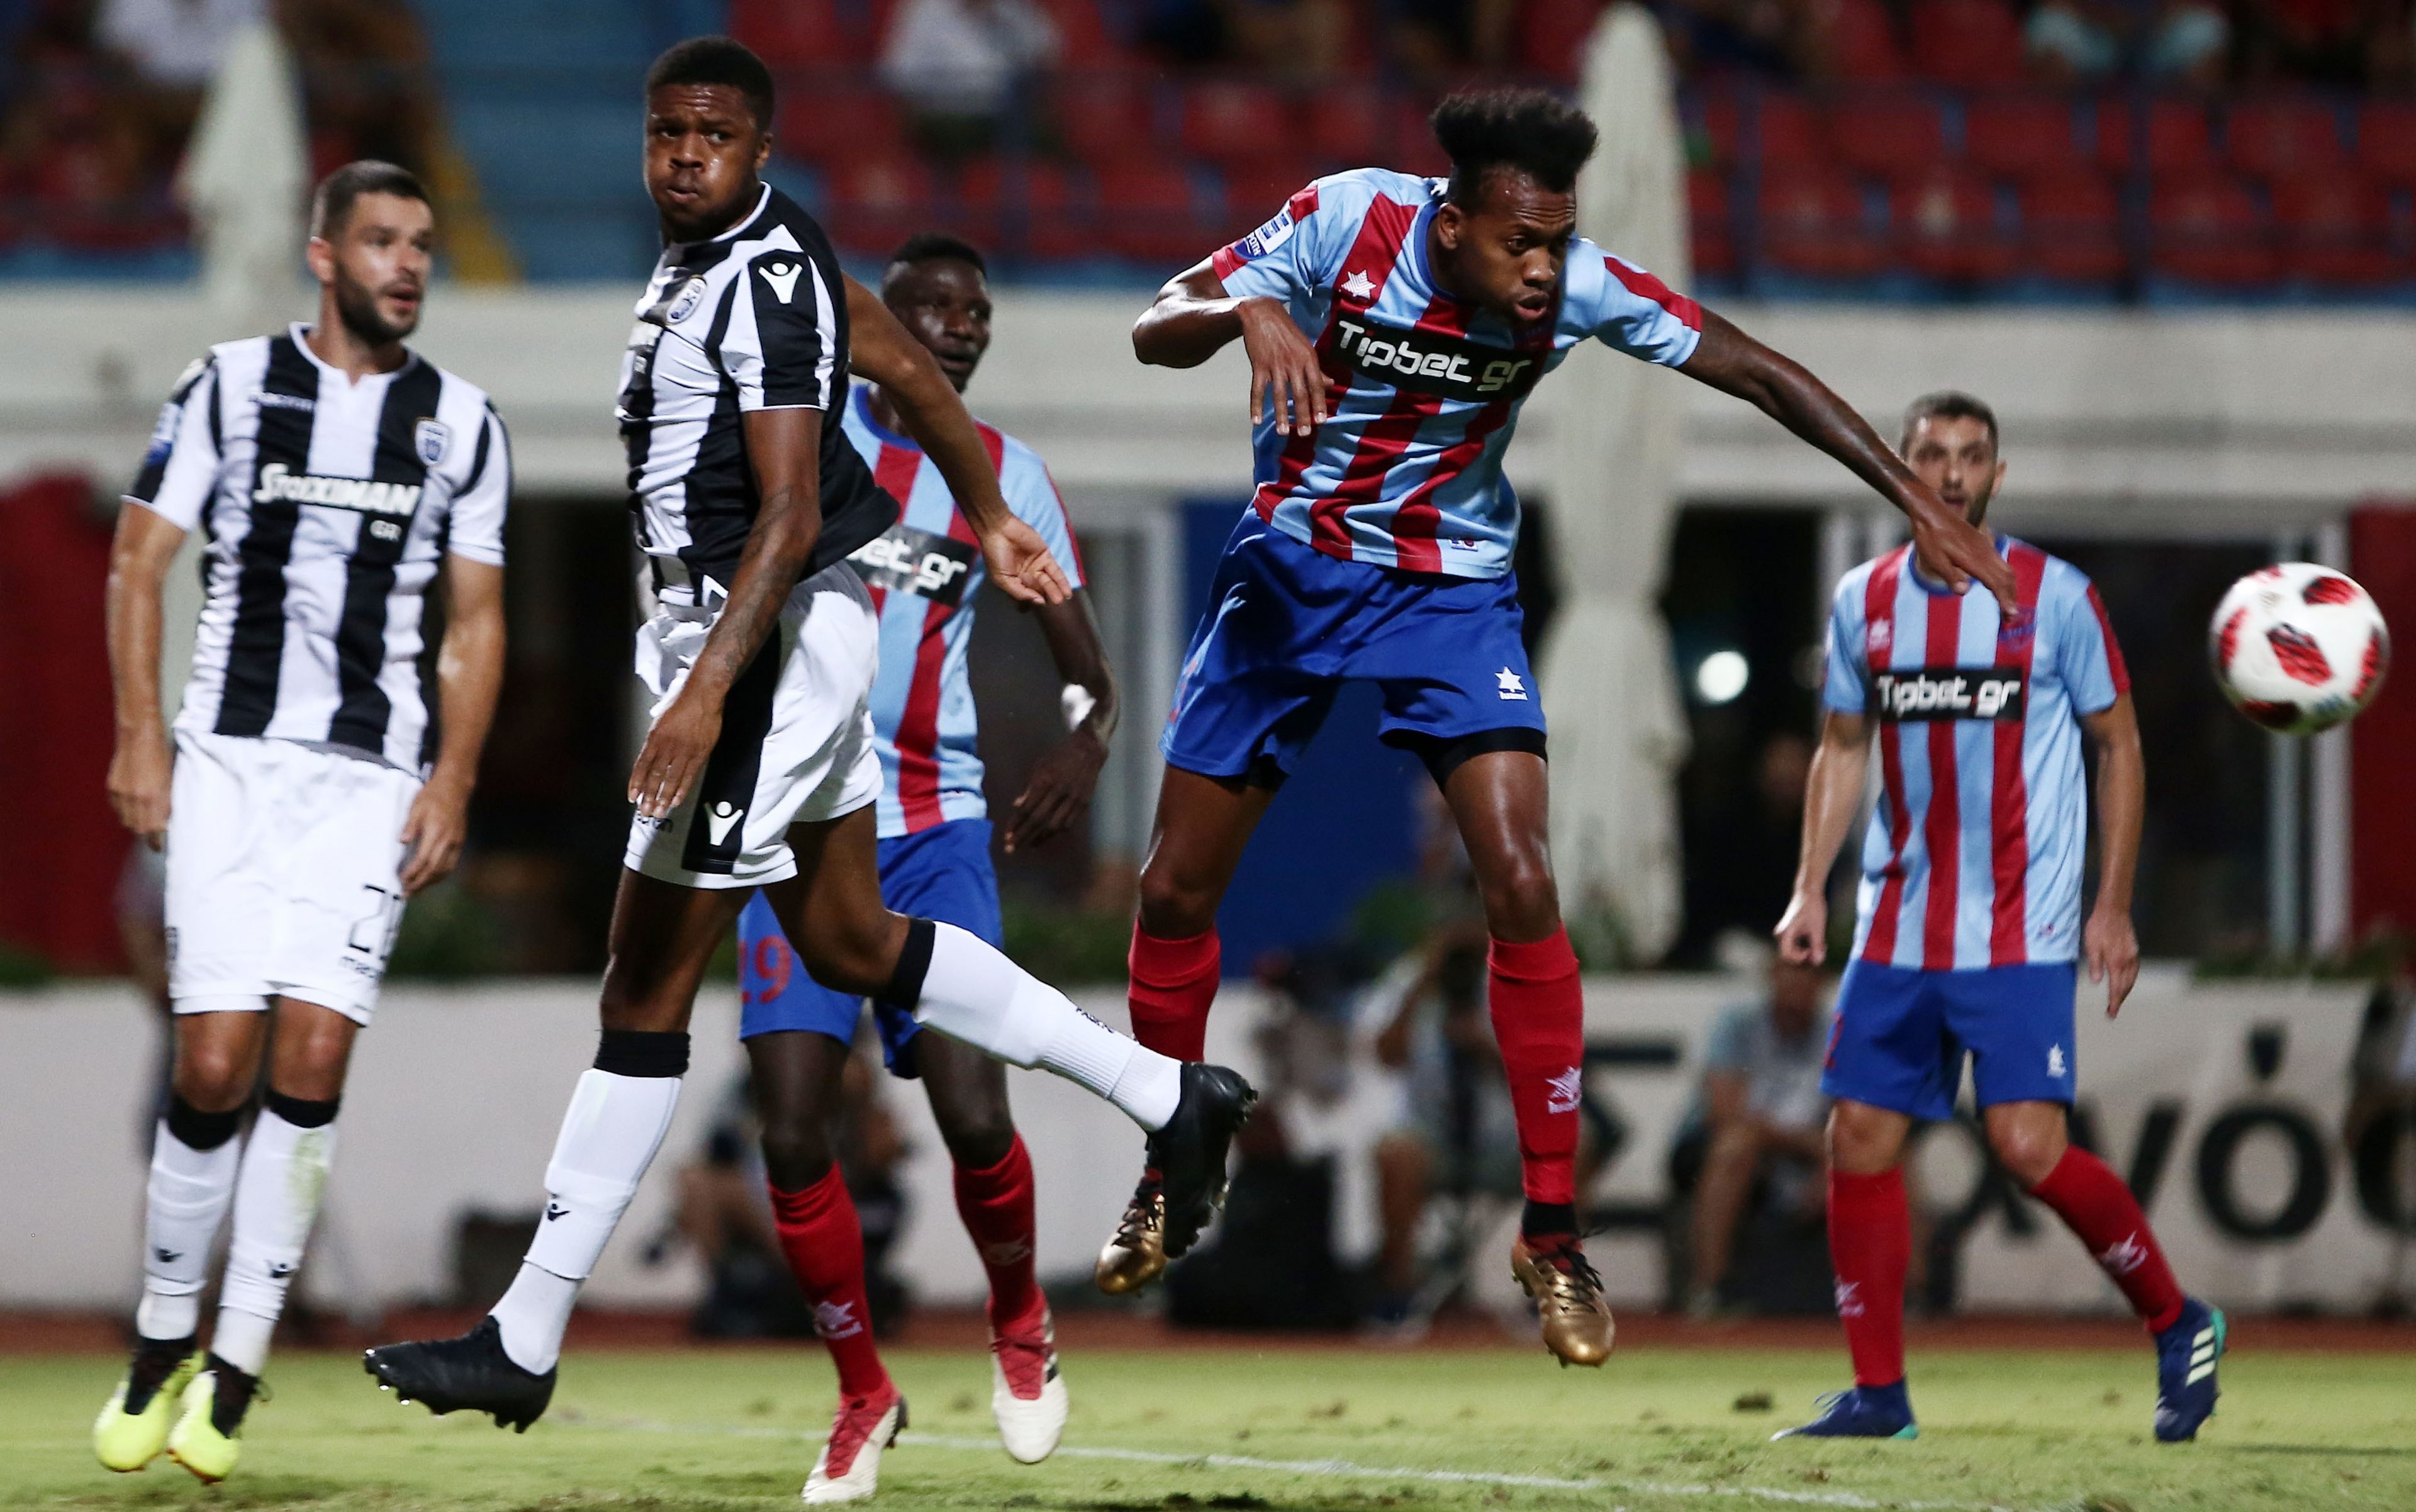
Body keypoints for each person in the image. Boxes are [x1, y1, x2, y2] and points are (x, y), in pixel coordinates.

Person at [363, 39, 1253, 1506]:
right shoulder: (762, 259)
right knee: (850, 940)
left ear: (761, 149)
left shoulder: (762, 279)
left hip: (762, 654)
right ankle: (1167, 1093)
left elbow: (784, 512)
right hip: (779, 645)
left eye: (713, 133)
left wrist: (703, 696)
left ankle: (524, 1334)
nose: (683, 154)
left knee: (644, 989)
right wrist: (988, 509)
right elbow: (894, 358)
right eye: (666, 130)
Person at [1107, 86, 2014, 1369]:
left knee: (1525, 879)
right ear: (1454, 220)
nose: (1542, 268)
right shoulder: (1345, 220)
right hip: (1293, 571)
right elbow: (1155, 326)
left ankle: (1550, 1232)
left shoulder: (1578, 285)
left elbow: (1755, 367)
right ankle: (1171, 1161)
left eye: (1556, 241)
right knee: (1174, 888)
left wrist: (1911, 496)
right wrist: (1247, 308)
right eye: (1518, 242)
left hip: (1450, 594)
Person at [91, 159, 512, 1484]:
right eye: (383, 240)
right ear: (324, 256)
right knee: (214, 1062)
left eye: (423, 243)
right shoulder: (226, 384)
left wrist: (452, 779)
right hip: (228, 764)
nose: (409, 264)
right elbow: (138, 562)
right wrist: (139, 737)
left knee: (314, 1058)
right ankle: (162, 1336)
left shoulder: (463, 421)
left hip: (372, 780)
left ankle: (235, 1365)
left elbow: (476, 618)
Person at [728, 228, 1117, 1467]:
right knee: (795, 1131)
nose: (960, 326)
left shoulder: (1007, 476)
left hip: (934, 829)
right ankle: (863, 1390)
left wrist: (1086, 740)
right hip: (794, 822)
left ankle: (1020, 1320)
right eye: (931, 307)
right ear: (878, 325)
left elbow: (1086, 668)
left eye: (977, 311)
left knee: (969, 1106)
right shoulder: (804, 439)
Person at [1770, 389, 2221, 1442]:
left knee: (2025, 1144)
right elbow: (1843, 746)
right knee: (1859, 1136)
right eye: (1933, 453)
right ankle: (1879, 1393)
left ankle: (2178, 1319)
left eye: (1973, 456)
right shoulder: (1864, 599)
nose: (1953, 473)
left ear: (1996, 476)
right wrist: (1808, 885)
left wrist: (2113, 905)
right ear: (1900, 467)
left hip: (2022, 924)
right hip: (1898, 920)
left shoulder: (2057, 596)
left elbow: (2120, 743)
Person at [1676, 955, 1831, 1318]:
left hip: (1803, 1151)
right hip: (1718, 1148)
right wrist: (1810, 1145)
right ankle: (1711, 1288)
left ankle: (1910, 1295)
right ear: (1772, 975)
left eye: (1808, 972)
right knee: (1736, 1146)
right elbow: (1725, 1111)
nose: (1798, 982)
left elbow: (1854, 1114)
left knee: (1888, 1152)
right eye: (1791, 970)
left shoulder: (1837, 1032)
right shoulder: (1738, 1024)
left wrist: (1830, 1161)